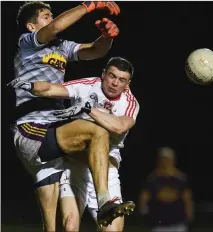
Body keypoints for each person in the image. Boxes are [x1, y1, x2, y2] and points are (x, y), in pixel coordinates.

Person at [9, 1, 121, 231]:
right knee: (96, 131)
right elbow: (55, 27)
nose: (51, 19)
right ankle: (103, 201)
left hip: (52, 131)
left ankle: (102, 202)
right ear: (32, 26)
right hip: (31, 127)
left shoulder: (61, 47)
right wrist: (87, 6)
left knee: (53, 226)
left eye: (52, 15)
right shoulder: (28, 42)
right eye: (46, 16)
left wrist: (106, 37)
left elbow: (93, 51)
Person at [11, 56, 139, 231]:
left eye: (121, 80)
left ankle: (104, 200)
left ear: (128, 84)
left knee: (113, 231)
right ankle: (104, 202)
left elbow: (119, 126)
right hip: (74, 167)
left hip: (106, 172)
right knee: (70, 225)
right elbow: (51, 88)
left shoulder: (129, 102)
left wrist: (88, 109)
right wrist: (31, 86)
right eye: (112, 76)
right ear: (103, 74)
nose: (115, 83)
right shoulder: (88, 85)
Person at [139, 147, 194, 232]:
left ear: (173, 160)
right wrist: (145, 213)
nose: (165, 162)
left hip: (178, 223)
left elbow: (187, 199)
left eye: (168, 159)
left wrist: (189, 215)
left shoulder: (180, 178)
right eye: (163, 159)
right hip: (158, 224)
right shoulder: (153, 179)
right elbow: (144, 198)